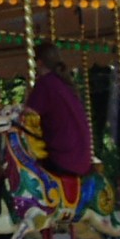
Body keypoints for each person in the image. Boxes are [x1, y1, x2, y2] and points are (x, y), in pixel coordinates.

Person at [25, 43, 94, 178]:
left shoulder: (45, 84)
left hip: (63, 157)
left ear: (39, 63)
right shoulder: (65, 84)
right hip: (81, 157)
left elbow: (27, 116)